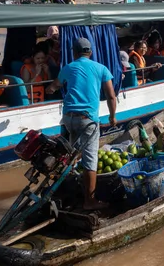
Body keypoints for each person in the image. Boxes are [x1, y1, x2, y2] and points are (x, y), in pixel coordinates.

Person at [45, 38, 117, 211]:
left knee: (73, 154)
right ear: (90, 52)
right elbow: (111, 96)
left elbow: (54, 86)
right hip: (87, 120)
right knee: (90, 160)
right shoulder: (101, 68)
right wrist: (113, 117)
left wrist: (49, 90)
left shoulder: (68, 68)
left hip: (69, 119)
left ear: (75, 53)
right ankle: (89, 201)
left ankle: (65, 188)